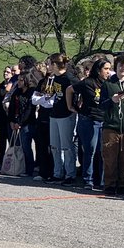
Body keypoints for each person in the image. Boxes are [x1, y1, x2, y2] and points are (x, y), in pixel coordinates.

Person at [100, 55, 124, 195]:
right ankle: (109, 184)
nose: (123, 68)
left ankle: (122, 184)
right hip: (111, 126)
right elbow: (101, 105)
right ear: (116, 67)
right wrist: (112, 100)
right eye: (121, 65)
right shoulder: (108, 84)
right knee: (110, 157)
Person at [73, 59, 109, 187]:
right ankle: (88, 178)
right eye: (105, 69)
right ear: (98, 70)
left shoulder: (108, 83)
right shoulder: (87, 82)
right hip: (89, 119)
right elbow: (69, 90)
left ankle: (100, 179)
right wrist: (72, 107)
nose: (108, 72)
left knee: (102, 152)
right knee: (90, 150)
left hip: (103, 120)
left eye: (109, 69)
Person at [43, 54, 77, 183]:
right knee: (55, 146)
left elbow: (80, 89)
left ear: (55, 65)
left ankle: (70, 174)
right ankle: (57, 172)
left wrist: (74, 106)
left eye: (49, 64)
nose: (48, 66)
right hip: (54, 114)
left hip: (66, 115)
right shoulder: (55, 78)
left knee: (67, 146)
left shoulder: (69, 78)